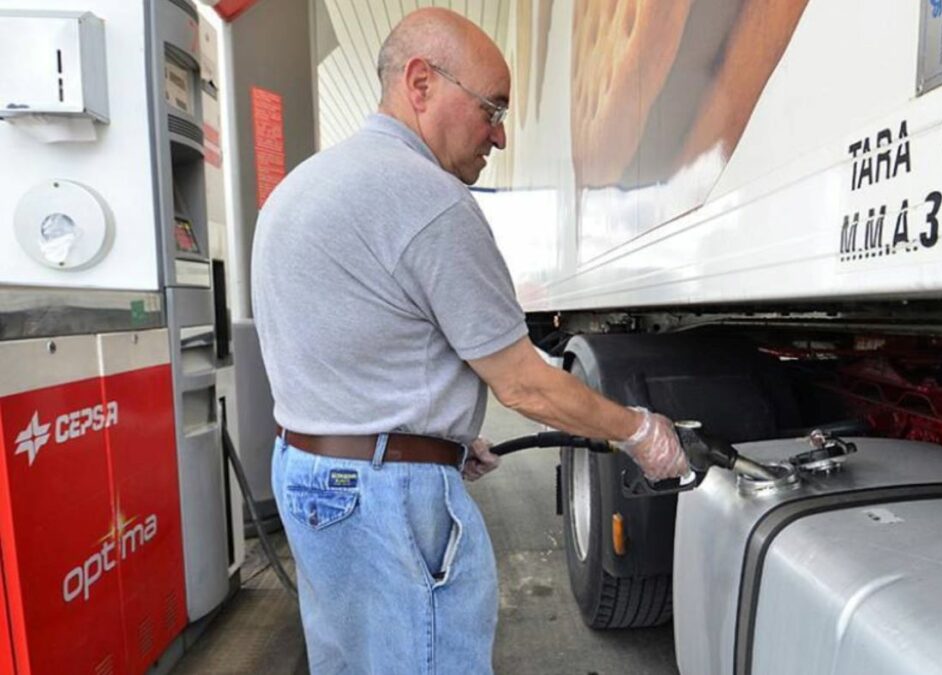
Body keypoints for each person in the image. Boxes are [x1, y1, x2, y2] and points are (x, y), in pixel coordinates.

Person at [250, 7, 689, 674]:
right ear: (420, 83)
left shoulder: (301, 187)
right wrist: (639, 431)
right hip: (382, 496)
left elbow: (351, 348)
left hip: (311, 479)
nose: (502, 136)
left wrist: (437, 439)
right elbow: (523, 383)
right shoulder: (431, 201)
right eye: (492, 109)